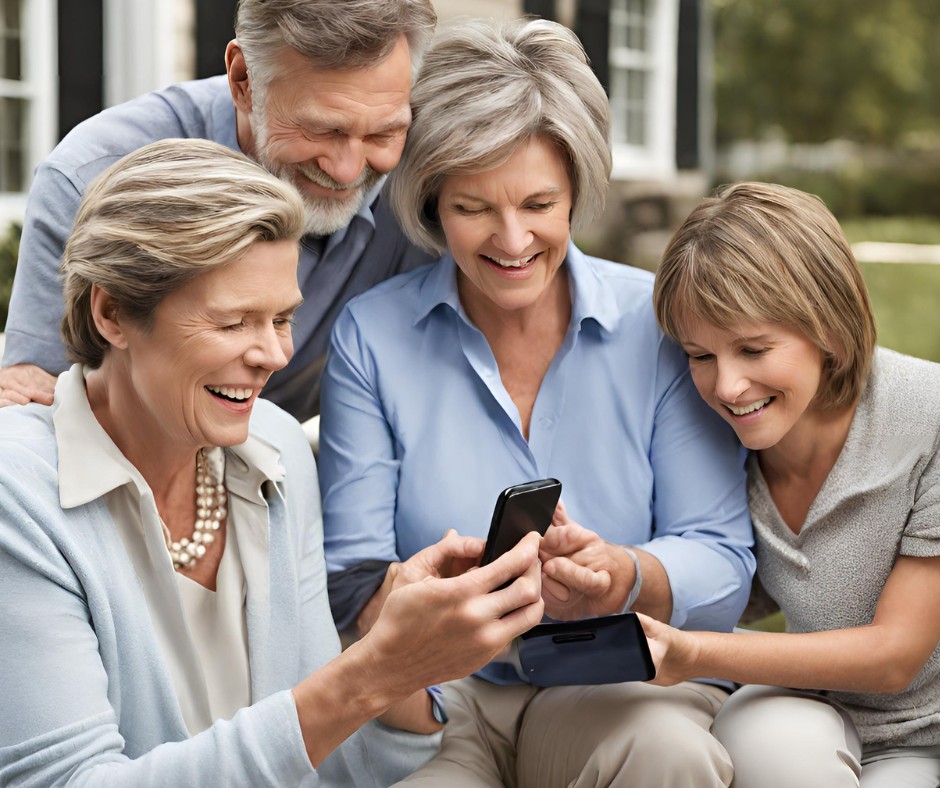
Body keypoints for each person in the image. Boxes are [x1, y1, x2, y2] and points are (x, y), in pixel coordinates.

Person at [0, 139, 546, 787]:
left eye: (282, 319)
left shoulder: (276, 451)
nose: (273, 355)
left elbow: (338, 767)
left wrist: (402, 660)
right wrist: (371, 672)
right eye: (233, 323)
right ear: (113, 312)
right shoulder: (20, 493)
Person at [318, 18, 755, 787]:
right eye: (472, 207)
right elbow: (350, 576)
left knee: (668, 753)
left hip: (609, 687)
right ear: (432, 203)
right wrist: (426, 600)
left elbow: (721, 557)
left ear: (577, 192)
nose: (511, 239)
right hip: (440, 701)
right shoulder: (372, 336)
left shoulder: (656, 326)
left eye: (538, 203)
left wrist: (623, 575)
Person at [0, 0, 436, 418]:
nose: (346, 171)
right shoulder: (88, 177)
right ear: (244, 79)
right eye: (321, 129)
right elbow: (39, 408)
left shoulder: (432, 178)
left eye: (382, 135)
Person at [647, 181, 940, 787]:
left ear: (828, 329)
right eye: (701, 355)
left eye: (753, 349)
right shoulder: (719, 441)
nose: (727, 387)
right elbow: (723, 588)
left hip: (925, 736)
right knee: (763, 738)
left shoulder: (928, 419)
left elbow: (895, 656)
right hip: (818, 712)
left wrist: (694, 652)